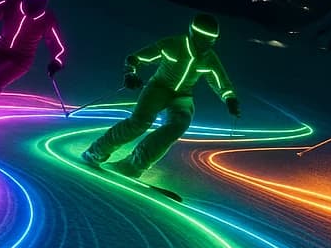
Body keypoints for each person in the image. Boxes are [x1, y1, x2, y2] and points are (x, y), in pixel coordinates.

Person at [81, 12, 240, 178]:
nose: (206, 45)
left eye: (211, 40)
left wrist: (230, 99)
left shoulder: (209, 59)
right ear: (194, 33)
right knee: (139, 122)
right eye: (203, 39)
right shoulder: (174, 45)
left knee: (179, 123)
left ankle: (135, 164)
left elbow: (220, 81)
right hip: (158, 88)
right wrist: (130, 73)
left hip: (182, 96)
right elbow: (137, 57)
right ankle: (96, 152)